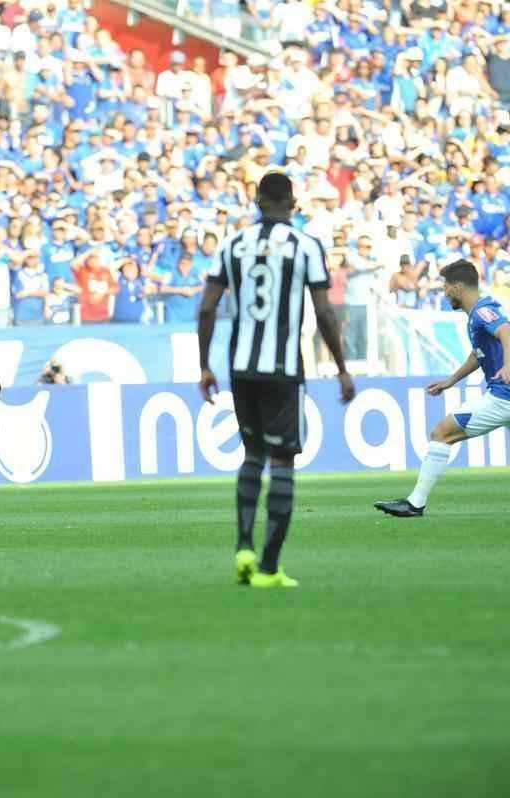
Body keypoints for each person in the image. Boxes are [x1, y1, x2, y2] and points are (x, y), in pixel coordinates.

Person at [198, 172, 355, 589]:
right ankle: (268, 567)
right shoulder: (306, 245)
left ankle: (244, 547)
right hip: (283, 368)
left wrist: (204, 366)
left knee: (252, 456)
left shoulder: (232, 244)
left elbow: (207, 308)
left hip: (242, 366)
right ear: (292, 202)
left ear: (256, 200)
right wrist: (341, 367)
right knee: (282, 460)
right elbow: (323, 313)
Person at [375, 260, 510, 517]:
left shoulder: (482, 311)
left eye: (446, 287)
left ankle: (415, 503)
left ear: (458, 287)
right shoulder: (478, 315)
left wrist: (508, 365)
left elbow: (506, 331)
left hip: (503, 397)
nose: (444, 292)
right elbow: (478, 353)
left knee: (441, 433)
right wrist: (451, 380)